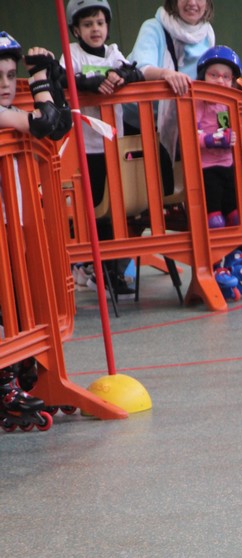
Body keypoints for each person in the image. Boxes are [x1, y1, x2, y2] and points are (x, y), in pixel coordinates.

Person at [0, 31, 71, 432]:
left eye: (12, 76)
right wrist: (42, 80)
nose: (6, 84)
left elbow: (59, 125)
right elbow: (45, 123)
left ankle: (25, 367)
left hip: (15, 227)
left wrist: (52, 78)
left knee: (21, 300)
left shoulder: (9, 110)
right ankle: (5, 381)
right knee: (4, 305)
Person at [60, 0, 145, 295]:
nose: (95, 29)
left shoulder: (113, 53)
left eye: (99, 23)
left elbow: (135, 72)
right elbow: (60, 79)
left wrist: (121, 76)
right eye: (87, 24)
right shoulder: (72, 54)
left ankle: (109, 271)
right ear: (76, 30)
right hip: (85, 149)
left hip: (112, 146)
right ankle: (90, 266)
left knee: (113, 211)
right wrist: (89, 82)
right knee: (93, 211)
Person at [195, 45, 242, 299]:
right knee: (215, 221)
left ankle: (236, 259)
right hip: (207, 169)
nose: (220, 81)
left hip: (229, 167)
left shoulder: (230, 103)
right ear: (203, 76)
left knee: (237, 216)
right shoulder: (199, 101)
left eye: (226, 77)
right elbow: (189, 133)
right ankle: (216, 266)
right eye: (214, 75)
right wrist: (211, 139)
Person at [128, 0, 215, 168]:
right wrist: (166, 74)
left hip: (184, 123)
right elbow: (140, 69)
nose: (192, 3)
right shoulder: (153, 27)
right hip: (140, 124)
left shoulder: (207, 33)